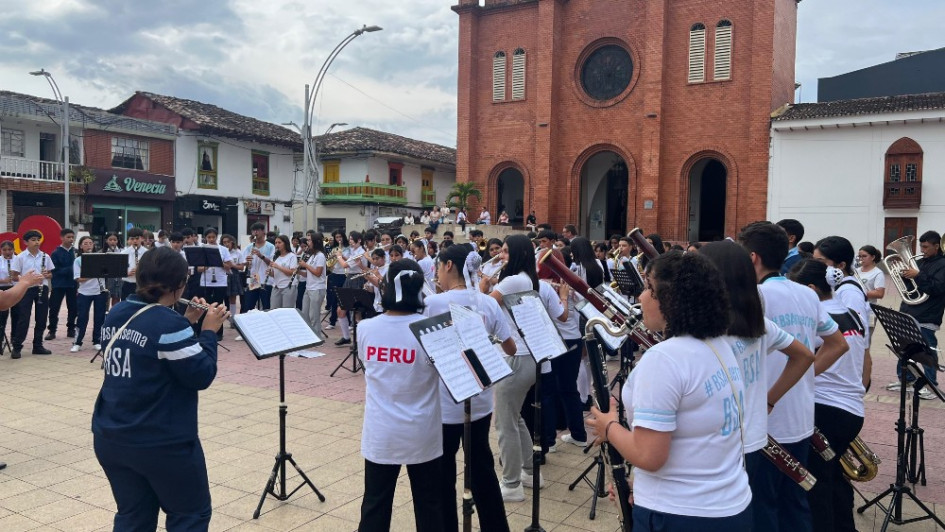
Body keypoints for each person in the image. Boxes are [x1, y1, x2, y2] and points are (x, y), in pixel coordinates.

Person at [586, 251, 752, 530]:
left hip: (680, 514)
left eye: (649, 288)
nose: (641, 297)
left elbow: (650, 456)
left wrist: (609, 427)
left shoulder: (665, 359)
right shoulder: (719, 345)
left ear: (673, 299)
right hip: (728, 505)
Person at [92, 246, 228, 532]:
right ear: (180, 284)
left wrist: (187, 321)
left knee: (133, 517)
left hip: (112, 435)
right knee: (189, 515)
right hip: (160, 441)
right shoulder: (168, 324)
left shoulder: (116, 312)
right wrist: (207, 332)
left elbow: (150, 352)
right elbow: (201, 374)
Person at [737, 222, 848, 532]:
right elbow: (838, 344)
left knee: (763, 509)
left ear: (753, 258)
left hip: (766, 423)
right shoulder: (806, 294)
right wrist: (803, 378)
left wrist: (772, 396)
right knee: (795, 506)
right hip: (799, 418)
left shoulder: (756, 296)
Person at [700, 241, 815, 489]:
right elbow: (804, 355)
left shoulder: (710, 335)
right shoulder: (759, 324)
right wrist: (770, 399)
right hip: (753, 439)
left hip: (718, 446)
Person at [425, 245, 515, 531]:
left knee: (443, 472)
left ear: (449, 265)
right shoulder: (487, 302)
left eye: (438, 266)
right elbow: (510, 345)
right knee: (482, 469)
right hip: (481, 399)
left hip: (446, 401)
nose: (437, 273)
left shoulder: (435, 304)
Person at [357, 259, 443, 531]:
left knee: (375, 504)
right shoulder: (433, 328)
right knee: (430, 504)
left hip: (382, 432)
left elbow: (367, 367)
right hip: (422, 429)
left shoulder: (366, 328)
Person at [788, 259, 867, 532]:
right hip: (852, 407)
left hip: (826, 407)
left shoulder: (815, 316)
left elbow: (806, 359)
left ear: (810, 289)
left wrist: (797, 380)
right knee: (834, 478)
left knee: (814, 485)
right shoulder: (850, 312)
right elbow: (864, 359)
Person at [483, 234, 546, 502]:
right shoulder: (525, 278)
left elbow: (485, 304)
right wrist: (490, 271)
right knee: (516, 416)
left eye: (506, 251)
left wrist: (484, 283)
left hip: (517, 358)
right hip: (526, 357)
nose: (501, 256)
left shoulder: (514, 279)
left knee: (504, 423)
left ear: (519, 253)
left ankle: (510, 484)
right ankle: (531, 472)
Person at [886, 230, 945, 397]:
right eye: (921, 246)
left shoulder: (942, 264)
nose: (922, 250)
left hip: (927, 314)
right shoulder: (919, 262)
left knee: (927, 350)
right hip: (909, 310)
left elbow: (937, 288)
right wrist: (902, 275)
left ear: (936, 246)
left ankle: (931, 384)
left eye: (926, 247)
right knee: (904, 347)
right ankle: (907, 379)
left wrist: (918, 275)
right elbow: (912, 287)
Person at [9, 230, 55, 358]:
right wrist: (26, 279)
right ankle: (17, 346)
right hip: (26, 288)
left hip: (42, 288)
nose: (36, 242)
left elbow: (51, 274)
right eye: (33, 240)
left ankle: (38, 345)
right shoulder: (20, 257)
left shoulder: (46, 256)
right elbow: (13, 276)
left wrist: (47, 275)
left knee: (41, 317)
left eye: (38, 240)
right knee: (23, 318)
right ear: (26, 242)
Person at [71, 236, 109, 353]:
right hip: (84, 292)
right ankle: (77, 342)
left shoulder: (101, 258)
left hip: (100, 291)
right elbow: (78, 278)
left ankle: (97, 341)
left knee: (99, 317)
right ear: (81, 246)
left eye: (90, 243)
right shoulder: (78, 260)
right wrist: (93, 273)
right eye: (85, 243)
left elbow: (108, 272)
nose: (88, 245)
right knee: (82, 317)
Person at [197, 228, 234, 341]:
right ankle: (204, 331)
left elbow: (229, 266)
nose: (211, 239)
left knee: (218, 307)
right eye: (209, 237)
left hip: (220, 282)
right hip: (206, 282)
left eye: (213, 237)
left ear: (217, 237)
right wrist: (207, 266)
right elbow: (198, 269)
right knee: (205, 306)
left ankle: (218, 333)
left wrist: (218, 262)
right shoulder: (202, 249)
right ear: (205, 238)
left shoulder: (223, 249)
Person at [47, 227, 78, 340]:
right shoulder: (55, 253)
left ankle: (71, 329)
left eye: (72, 237)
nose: (71, 239)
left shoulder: (75, 252)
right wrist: (71, 269)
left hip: (72, 284)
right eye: (68, 237)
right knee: (54, 308)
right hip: (58, 284)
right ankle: (52, 330)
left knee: (73, 308)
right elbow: (54, 270)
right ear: (61, 238)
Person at [299, 233, 327, 340]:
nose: (308, 242)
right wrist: (298, 272)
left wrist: (305, 265)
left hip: (317, 288)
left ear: (315, 242)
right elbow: (308, 274)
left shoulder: (320, 256)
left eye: (310, 240)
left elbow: (318, 273)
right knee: (305, 314)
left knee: (314, 316)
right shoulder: (312, 255)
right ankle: (308, 336)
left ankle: (317, 337)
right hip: (309, 287)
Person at [243, 222, 275, 313]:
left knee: (266, 306)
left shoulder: (270, 246)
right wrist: (247, 261)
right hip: (254, 278)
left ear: (263, 232)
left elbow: (272, 263)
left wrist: (261, 256)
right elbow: (243, 263)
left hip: (266, 279)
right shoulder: (249, 247)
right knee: (249, 305)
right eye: (253, 231)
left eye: (257, 230)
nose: (255, 233)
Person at [325, 230, 350, 330]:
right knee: (333, 299)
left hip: (344, 275)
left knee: (344, 300)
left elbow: (348, 260)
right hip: (334, 274)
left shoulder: (348, 248)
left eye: (340, 237)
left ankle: (349, 323)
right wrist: (332, 256)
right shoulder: (334, 248)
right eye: (337, 237)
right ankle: (332, 321)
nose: (339, 239)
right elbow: (329, 262)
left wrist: (340, 255)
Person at [267, 235, 299, 309]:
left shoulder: (292, 256)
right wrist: (270, 273)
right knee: (274, 310)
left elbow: (292, 272)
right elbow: (274, 274)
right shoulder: (275, 256)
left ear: (285, 243)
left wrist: (278, 266)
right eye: (276, 243)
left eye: (279, 242)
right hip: (276, 286)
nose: (277, 245)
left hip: (288, 286)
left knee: (286, 311)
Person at [121, 228, 145, 301]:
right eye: (132, 239)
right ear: (129, 240)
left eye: (137, 238)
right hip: (128, 284)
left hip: (142, 285)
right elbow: (119, 271)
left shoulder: (147, 253)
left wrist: (141, 271)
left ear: (142, 239)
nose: (135, 241)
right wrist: (127, 273)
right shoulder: (124, 253)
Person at [104, 232, 124, 307]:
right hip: (107, 279)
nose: (112, 242)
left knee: (116, 299)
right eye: (110, 240)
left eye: (115, 240)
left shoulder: (122, 251)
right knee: (105, 300)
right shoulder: (102, 252)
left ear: (117, 241)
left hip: (118, 278)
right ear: (106, 240)